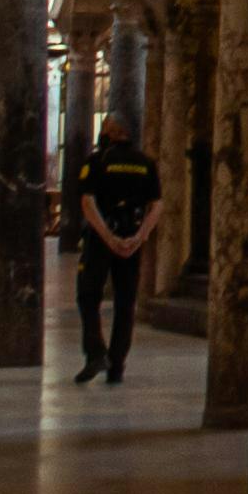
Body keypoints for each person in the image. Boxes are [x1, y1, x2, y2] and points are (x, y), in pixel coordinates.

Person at [65, 115, 164, 384]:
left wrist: (108, 238)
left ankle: (96, 352)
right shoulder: (146, 163)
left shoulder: (97, 161)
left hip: (101, 236)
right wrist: (140, 236)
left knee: (88, 293)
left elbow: (88, 202)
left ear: (109, 132)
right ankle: (117, 364)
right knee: (125, 302)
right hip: (131, 236)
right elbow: (157, 205)